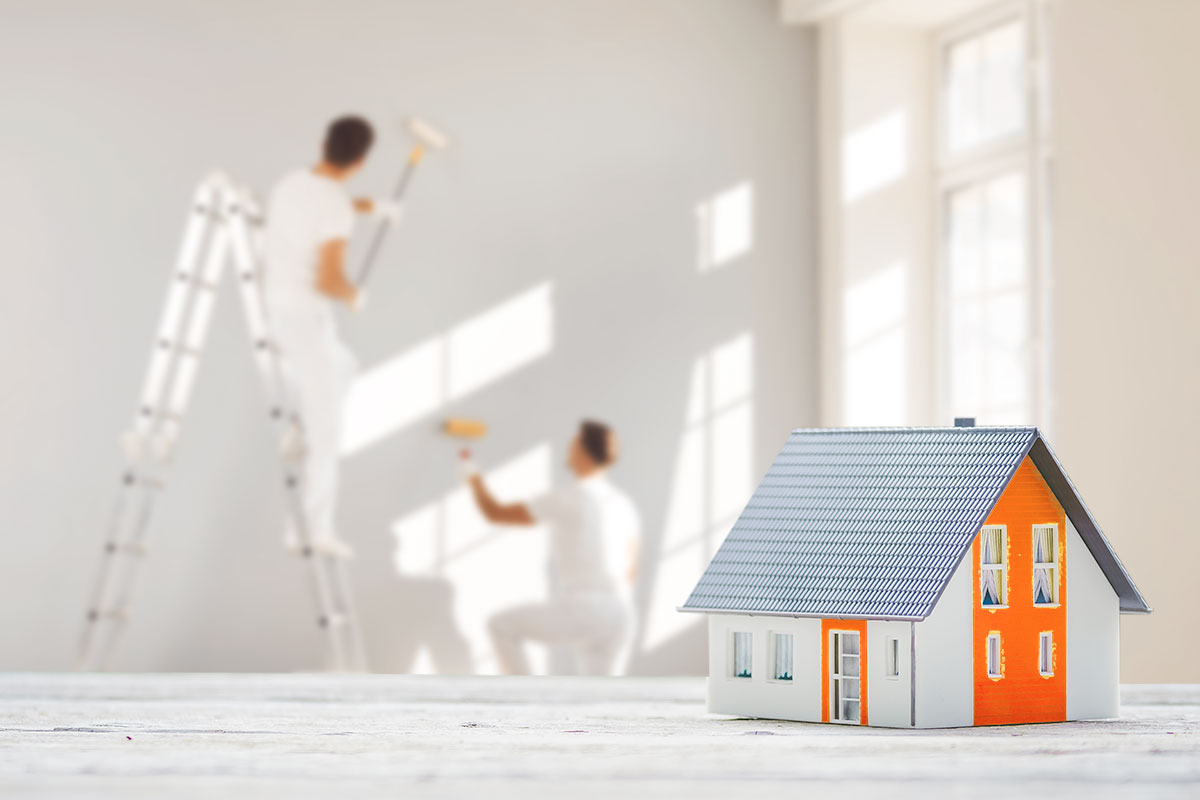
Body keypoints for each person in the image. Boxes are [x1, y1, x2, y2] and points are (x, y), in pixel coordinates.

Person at [263, 115, 400, 559]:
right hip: (306, 317)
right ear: (361, 161)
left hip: (280, 309)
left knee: (344, 365)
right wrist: (354, 295)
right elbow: (329, 280)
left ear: (324, 142)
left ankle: (300, 423)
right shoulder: (335, 210)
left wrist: (370, 207)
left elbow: (320, 205)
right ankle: (310, 530)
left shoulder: (292, 182)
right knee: (329, 435)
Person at [461, 421, 641, 676]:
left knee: (500, 626)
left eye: (573, 442)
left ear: (582, 451)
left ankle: (526, 700)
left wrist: (469, 470)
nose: (568, 448)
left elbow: (495, 512)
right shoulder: (624, 504)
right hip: (622, 612)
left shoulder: (570, 498)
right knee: (600, 698)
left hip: (587, 607)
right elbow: (631, 569)